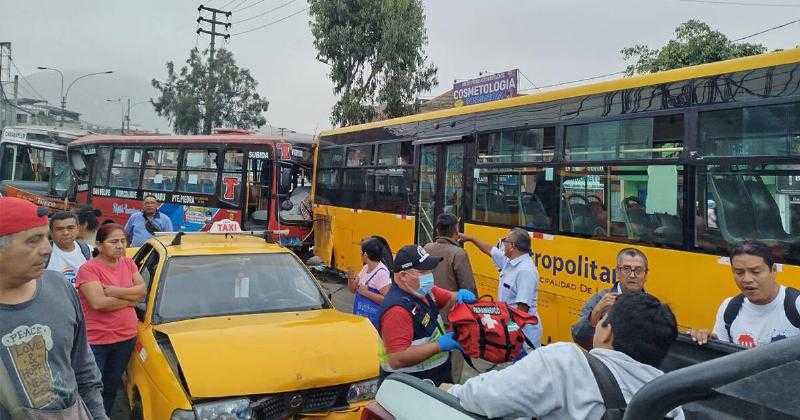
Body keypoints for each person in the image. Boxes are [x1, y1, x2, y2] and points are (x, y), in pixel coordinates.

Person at [445, 293, 684, 419]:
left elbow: (487, 397)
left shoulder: (566, 362)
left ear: (607, 332)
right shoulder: (670, 402)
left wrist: (449, 391)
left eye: (601, 320)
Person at [0, 197, 107, 419]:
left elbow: (84, 370)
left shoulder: (60, 286)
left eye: (47, 238)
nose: (47, 249)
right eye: (33, 240)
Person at [75, 223, 146, 416]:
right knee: (92, 389)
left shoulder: (128, 263)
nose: (120, 246)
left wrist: (115, 291)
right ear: (99, 244)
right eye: (114, 241)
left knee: (112, 386)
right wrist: (130, 301)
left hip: (125, 338)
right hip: (97, 341)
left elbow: (142, 291)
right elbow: (98, 303)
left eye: (123, 241)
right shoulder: (88, 269)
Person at [379, 245, 476, 385]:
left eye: (430, 270)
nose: (429, 276)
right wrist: (440, 345)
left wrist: (460, 295)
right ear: (403, 276)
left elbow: (448, 297)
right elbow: (396, 359)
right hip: (409, 387)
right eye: (423, 272)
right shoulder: (397, 310)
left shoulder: (423, 290)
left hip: (434, 379)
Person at [690, 240, 800, 348]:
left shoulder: (796, 304)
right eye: (739, 272)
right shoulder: (729, 307)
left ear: (773, 270)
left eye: (756, 272)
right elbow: (724, 356)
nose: (747, 279)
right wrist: (708, 341)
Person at [460, 227, 542, 350]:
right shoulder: (510, 261)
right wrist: (471, 238)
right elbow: (491, 250)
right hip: (512, 331)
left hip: (523, 338)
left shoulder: (525, 271)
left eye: (505, 240)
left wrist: (504, 332)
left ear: (512, 246)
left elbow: (522, 311)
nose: (503, 243)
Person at [424, 213, 476, 382]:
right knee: (452, 374)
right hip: (451, 323)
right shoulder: (458, 253)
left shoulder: (426, 248)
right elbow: (469, 290)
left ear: (437, 230)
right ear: (456, 230)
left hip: (429, 319)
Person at [571, 247, 649, 350]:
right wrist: (595, 313)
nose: (632, 275)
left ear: (645, 274)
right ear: (617, 272)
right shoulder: (599, 299)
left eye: (638, 270)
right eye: (626, 269)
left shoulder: (651, 306)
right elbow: (578, 337)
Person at [46, 211, 92, 287]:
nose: (66, 233)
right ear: (51, 232)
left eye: (70, 228)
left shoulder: (88, 251)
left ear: (77, 229)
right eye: (59, 229)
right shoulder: (44, 253)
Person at [348, 237, 392, 304]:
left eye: (361, 252)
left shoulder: (382, 273)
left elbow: (386, 300)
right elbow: (353, 290)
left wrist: (366, 293)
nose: (360, 254)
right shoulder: (365, 268)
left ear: (365, 255)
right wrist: (350, 278)